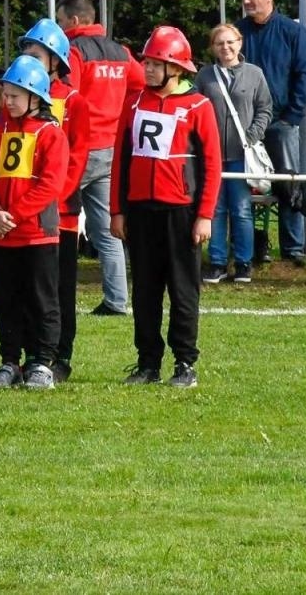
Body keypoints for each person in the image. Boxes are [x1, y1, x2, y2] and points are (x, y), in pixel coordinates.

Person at [113, 27, 220, 389]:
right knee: (144, 290)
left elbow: (212, 165)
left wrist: (204, 214)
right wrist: (118, 210)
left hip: (181, 213)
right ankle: (147, 362)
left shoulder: (199, 106)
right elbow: (121, 159)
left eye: (156, 64)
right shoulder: (133, 103)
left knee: (183, 290)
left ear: (175, 68)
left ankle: (185, 362)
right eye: (147, 62)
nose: (148, 69)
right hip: (141, 212)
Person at [0, 55, 69, 390]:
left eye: (15, 95)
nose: (7, 101)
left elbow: (50, 186)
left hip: (37, 235)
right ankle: (9, 360)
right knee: (6, 301)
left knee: (42, 300)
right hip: (3, 236)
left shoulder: (51, 134)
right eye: (5, 94)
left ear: (35, 97)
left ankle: (42, 361)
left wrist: (12, 215)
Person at [56, 0, 144, 322]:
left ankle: (30, 289)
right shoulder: (120, 51)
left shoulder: (74, 51)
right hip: (111, 147)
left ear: (74, 22)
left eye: (62, 22)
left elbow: (68, 96)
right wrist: (120, 114)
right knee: (107, 230)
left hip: (80, 147)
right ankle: (117, 299)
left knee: (44, 219)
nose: (61, 29)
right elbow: (140, 83)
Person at [17, 18, 92, 381]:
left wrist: (52, 198)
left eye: (36, 50)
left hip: (58, 212)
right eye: (27, 49)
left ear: (55, 60)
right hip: (25, 211)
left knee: (58, 289)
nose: (29, 55)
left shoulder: (74, 101)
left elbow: (76, 158)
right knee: (27, 288)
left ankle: (59, 357)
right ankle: (31, 353)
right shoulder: (19, 93)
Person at [236, 0, 306, 265]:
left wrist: (291, 117)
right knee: (240, 183)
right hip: (243, 124)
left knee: (288, 182)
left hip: (281, 122)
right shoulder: (236, 32)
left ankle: (293, 248)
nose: (246, 1)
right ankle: (248, 245)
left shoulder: (292, 32)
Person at [195, 24, 273, 285]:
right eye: (220, 43)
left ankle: (243, 262)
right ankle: (217, 263)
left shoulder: (255, 74)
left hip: (242, 155)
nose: (225, 48)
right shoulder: (205, 76)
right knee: (215, 209)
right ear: (213, 47)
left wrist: (251, 136)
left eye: (230, 42)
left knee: (241, 210)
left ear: (240, 43)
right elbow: (196, 110)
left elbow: (265, 109)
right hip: (212, 155)